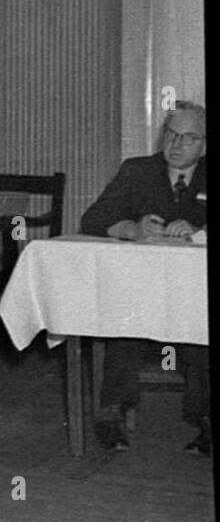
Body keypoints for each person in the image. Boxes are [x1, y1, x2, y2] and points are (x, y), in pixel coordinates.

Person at [81, 101, 209, 455]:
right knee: (123, 324)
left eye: (189, 137)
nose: (177, 144)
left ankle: (205, 418)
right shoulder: (138, 170)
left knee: (203, 328)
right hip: (141, 290)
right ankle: (111, 412)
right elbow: (91, 219)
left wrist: (199, 230)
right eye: (171, 134)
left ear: (205, 143)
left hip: (197, 292)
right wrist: (129, 228)